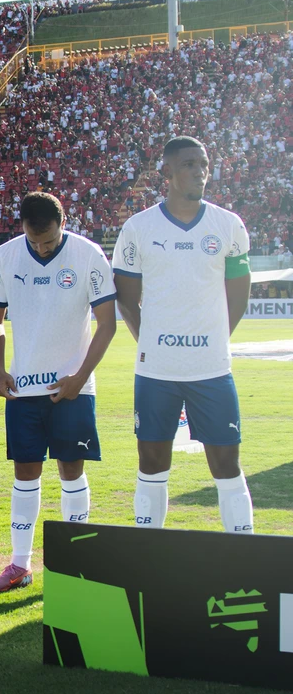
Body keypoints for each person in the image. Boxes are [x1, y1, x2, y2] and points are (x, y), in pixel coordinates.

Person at [112, 136, 254, 534]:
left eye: (204, 163)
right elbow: (126, 298)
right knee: (152, 462)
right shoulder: (139, 228)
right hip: (156, 371)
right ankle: (148, 548)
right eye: (189, 164)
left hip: (212, 369)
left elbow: (238, 297)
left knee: (227, 464)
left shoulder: (228, 225)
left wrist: (214, 341)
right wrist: (151, 343)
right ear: (167, 172)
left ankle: (243, 550)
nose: (199, 171)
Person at [0, 192, 117, 591]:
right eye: (34, 241)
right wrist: (0, 369)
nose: (41, 247)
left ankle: (75, 565)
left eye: (49, 242)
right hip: (23, 389)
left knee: (71, 470)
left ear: (63, 224)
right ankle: (19, 565)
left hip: (73, 388)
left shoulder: (89, 255)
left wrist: (79, 376)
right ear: (20, 226)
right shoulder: (5, 256)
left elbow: (106, 323)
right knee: (25, 473)